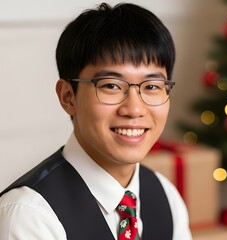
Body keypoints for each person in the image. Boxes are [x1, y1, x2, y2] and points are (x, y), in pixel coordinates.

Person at [0, 2, 192, 240]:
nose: (134, 109)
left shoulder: (166, 196)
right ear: (68, 97)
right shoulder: (29, 216)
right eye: (111, 86)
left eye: (152, 86)